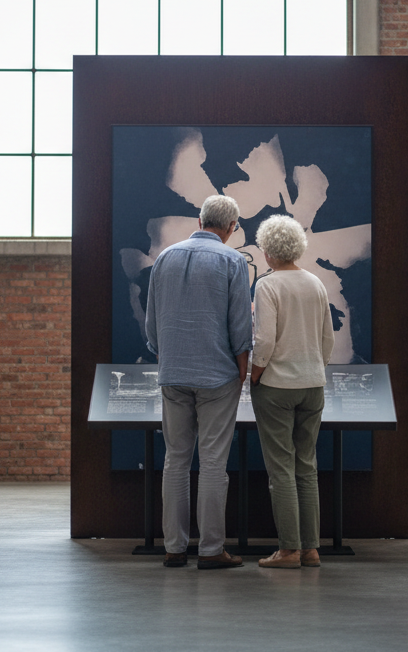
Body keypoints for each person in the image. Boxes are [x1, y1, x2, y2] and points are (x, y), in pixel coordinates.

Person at [145, 194, 252, 570]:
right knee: (212, 464)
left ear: (200, 218)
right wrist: (243, 369)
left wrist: (165, 355)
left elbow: (152, 325)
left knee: (175, 460)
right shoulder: (233, 261)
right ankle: (210, 550)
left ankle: (174, 548)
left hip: (172, 374)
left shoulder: (166, 258)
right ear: (233, 227)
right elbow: (240, 325)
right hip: (217, 376)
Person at [249, 215, 334, 569]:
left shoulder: (268, 286)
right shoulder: (315, 283)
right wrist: (315, 366)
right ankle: (311, 548)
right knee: (306, 467)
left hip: (277, 387)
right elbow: (328, 339)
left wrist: (255, 375)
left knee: (281, 469)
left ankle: (288, 550)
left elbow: (264, 340)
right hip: (313, 386)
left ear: (267, 252)